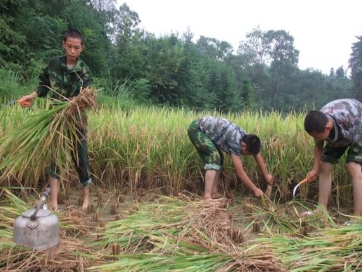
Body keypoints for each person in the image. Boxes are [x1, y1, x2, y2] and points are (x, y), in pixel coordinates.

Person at [19, 29, 92, 212]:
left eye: (76, 47)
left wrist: (73, 105)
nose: (72, 51)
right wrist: (33, 96)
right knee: (56, 159)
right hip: (56, 120)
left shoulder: (84, 71)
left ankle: (86, 198)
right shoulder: (53, 64)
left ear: (82, 48)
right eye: (69, 47)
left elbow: (86, 98)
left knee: (81, 159)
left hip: (77, 121)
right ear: (63, 44)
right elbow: (44, 85)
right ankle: (53, 202)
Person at [187, 116, 273, 200]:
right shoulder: (235, 141)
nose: (245, 155)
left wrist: (266, 174)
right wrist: (255, 190)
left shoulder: (246, 138)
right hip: (196, 129)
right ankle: (207, 197)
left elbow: (256, 154)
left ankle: (213, 192)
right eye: (247, 153)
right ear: (243, 146)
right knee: (214, 158)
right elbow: (240, 173)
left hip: (205, 130)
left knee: (219, 158)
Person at [304, 98, 362, 217]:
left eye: (318, 136)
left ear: (327, 129)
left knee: (352, 166)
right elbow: (318, 146)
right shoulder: (318, 124)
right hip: (342, 132)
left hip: (359, 124)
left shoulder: (348, 120)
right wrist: (315, 169)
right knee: (324, 165)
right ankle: (321, 210)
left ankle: (357, 217)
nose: (317, 139)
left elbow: (356, 139)